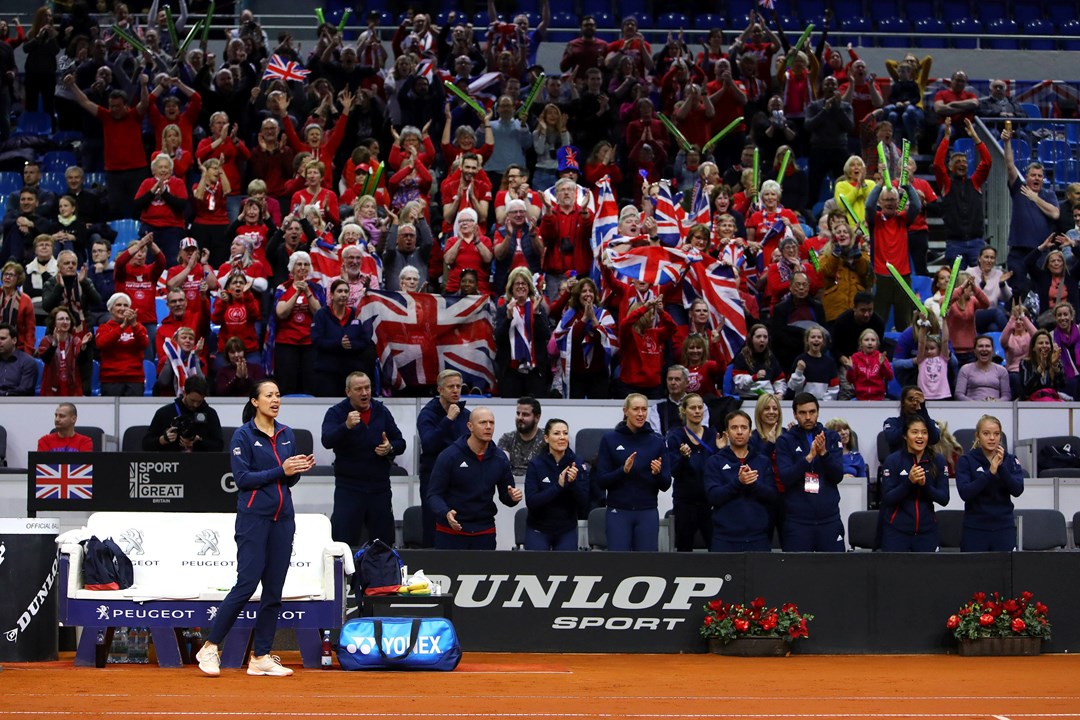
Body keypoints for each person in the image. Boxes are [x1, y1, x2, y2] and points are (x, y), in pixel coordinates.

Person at [195, 379, 315, 677]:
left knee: (274, 590)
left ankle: (260, 655)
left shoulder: (287, 434)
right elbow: (243, 478)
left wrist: (297, 469)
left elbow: (287, 480)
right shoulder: (243, 436)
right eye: (269, 395)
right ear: (255, 402)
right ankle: (209, 647)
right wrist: (282, 470)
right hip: (253, 519)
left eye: (278, 395)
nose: (276, 400)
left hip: (283, 519)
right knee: (247, 585)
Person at [321, 371, 406, 547]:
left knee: (383, 542)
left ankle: (382, 574)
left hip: (379, 488)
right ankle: (343, 575)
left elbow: (400, 442)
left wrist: (390, 447)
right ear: (348, 392)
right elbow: (327, 440)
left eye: (367, 388)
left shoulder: (381, 411)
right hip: (349, 488)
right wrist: (345, 426)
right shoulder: (336, 413)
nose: (365, 393)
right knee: (343, 542)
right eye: (359, 389)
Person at [427, 406, 522, 549]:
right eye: (483, 423)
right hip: (451, 532)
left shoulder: (500, 458)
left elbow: (506, 496)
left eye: (491, 422)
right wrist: (445, 512)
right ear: (470, 426)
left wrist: (512, 497)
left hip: (484, 532)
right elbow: (433, 495)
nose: (488, 427)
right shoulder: (449, 456)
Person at [595, 393, 672, 551]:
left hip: (647, 511)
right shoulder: (610, 439)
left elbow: (665, 484)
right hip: (618, 510)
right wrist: (623, 471)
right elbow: (601, 481)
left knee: (646, 565)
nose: (641, 413)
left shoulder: (657, 441)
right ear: (626, 411)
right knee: (618, 564)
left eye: (644, 409)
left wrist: (657, 473)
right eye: (636, 409)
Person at [775, 392, 845, 552]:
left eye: (812, 412)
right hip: (798, 521)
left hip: (829, 519)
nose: (808, 417)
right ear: (795, 414)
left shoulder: (832, 437)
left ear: (818, 412)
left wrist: (824, 454)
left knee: (835, 571)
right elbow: (786, 477)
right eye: (802, 413)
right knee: (796, 573)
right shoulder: (785, 441)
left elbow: (837, 476)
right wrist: (808, 458)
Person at [703, 409, 777, 552]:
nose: (739, 431)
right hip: (724, 539)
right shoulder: (714, 462)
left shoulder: (762, 461)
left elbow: (772, 496)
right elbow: (713, 497)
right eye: (734, 427)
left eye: (744, 427)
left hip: (758, 538)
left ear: (750, 432)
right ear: (726, 433)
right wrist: (738, 482)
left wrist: (753, 484)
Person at [1003, 124, 1060, 299]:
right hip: (1019, 251)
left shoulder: (1048, 194)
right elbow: (1010, 165)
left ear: (1043, 179)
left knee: (1043, 291)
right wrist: (1007, 142)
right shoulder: (1019, 189)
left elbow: (1055, 214)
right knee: (1017, 291)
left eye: (1039, 176)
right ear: (1026, 177)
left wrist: (1035, 198)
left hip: (1041, 253)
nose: (1036, 178)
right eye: (1033, 175)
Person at [416, 370, 472, 547]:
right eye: (451, 387)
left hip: (461, 480)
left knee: (461, 527)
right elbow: (429, 444)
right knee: (433, 529)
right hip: (434, 480)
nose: (456, 390)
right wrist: (448, 419)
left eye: (458, 386)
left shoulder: (466, 414)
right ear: (440, 389)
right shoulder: (427, 414)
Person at [880, 415, 950, 552]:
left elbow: (944, 499)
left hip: (927, 532)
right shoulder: (893, 460)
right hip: (897, 531)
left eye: (924, 432)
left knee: (928, 573)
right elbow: (888, 498)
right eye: (914, 432)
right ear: (905, 435)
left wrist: (925, 485)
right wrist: (909, 482)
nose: (920, 436)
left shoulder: (938, 461)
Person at [955, 414, 1024, 552]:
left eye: (996, 434)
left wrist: (1001, 468)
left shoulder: (1010, 460)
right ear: (978, 436)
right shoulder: (966, 460)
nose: (992, 438)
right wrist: (989, 473)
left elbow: (1017, 490)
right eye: (986, 433)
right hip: (975, 528)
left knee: (1005, 572)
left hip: (1004, 527)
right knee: (974, 572)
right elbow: (965, 493)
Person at [523, 418, 589, 551]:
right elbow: (532, 502)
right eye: (557, 433)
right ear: (546, 438)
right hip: (538, 528)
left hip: (566, 529)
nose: (562, 437)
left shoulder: (577, 462)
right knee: (535, 570)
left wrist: (572, 483)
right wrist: (558, 486)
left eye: (565, 433)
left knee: (566, 570)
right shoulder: (535, 464)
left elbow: (584, 503)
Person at [935, 117, 991, 270]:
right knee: (958, 286)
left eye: (964, 162)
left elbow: (986, 162)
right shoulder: (946, 184)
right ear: (951, 166)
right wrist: (946, 137)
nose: (962, 164)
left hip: (976, 243)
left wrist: (974, 136)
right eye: (958, 161)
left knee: (979, 285)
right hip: (955, 244)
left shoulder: (974, 182)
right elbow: (938, 165)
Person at [667, 393, 721, 552]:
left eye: (700, 407)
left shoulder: (712, 434)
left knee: (717, 547)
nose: (697, 411)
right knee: (684, 547)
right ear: (684, 411)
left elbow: (718, 467)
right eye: (693, 408)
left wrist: (721, 449)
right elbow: (674, 472)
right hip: (685, 501)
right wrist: (684, 458)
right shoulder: (676, 436)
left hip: (709, 500)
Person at [311, 279, 372, 398]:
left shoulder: (357, 314)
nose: (343, 294)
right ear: (332, 295)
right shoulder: (321, 315)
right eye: (339, 291)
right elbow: (317, 340)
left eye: (346, 291)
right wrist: (338, 343)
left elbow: (365, 341)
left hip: (352, 372)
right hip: (327, 372)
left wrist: (351, 345)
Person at [141, 376, 224, 452]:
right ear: (184, 393)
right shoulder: (165, 413)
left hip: (200, 462)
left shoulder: (210, 413)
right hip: (171, 462)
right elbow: (146, 444)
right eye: (192, 400)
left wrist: (198, 442)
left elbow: (219, 446)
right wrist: (163, 440)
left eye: (199, 401)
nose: (195, 405)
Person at [95, 293, 148, 396]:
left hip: (135, 378)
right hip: (110, 379)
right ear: (110, 309)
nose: (122, 308)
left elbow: (144, 344)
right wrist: (122, 326)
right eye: (118, 305)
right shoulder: (103, 328)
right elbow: (102, 344)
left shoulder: (139, 327)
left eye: (125, 305)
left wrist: (134, 325)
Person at [36, 306, 92, 396]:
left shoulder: (76, 340)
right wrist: (54, 345)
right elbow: (46, 359)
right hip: (51, 388)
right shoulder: (46, 340)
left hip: (72, 388)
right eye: (61, 319)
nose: (65, 322)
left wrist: (83, 347)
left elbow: (81, 361)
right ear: (54, 322)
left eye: (67, 319)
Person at [497, 396, 545, 475]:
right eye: (518, 413)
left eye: (525, 414)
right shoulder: (507, 438)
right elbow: (500, 466)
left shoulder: (547, 439)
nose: (520, 417)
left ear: (537, 418)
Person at [956, 336, 1011, 401]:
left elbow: (1007, 396)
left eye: (987, 346)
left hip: (995, 408)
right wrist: (975, 403)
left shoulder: (1002, 370)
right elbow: (958, 394)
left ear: (993, 350)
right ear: (974, 351)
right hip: (972, 408)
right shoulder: (965, 369)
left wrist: (996, 402)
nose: (984, 349)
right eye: (980, 346)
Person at [1019, 329, 1066, 401]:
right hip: (1031, 403)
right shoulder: (1025, 363)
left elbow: (1062, 384)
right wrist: (1041, 367)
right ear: (1033, 348)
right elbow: (1026, 388)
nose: (1044, 346)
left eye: (1047, 343)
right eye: (1040, 343)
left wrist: (1055, 366)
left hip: (1052, 402)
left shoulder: (1056, 361)